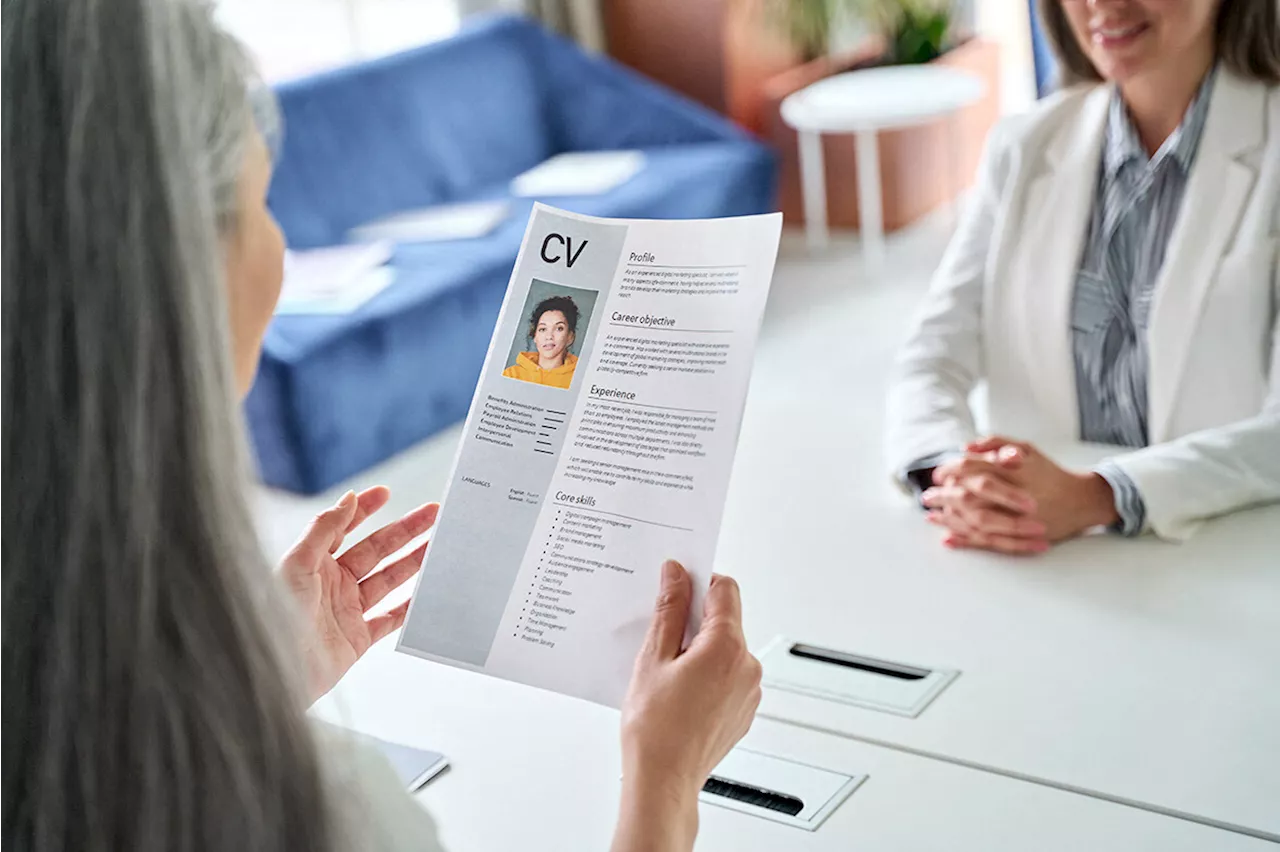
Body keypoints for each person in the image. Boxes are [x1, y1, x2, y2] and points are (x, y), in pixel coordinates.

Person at [0, 2, 762, 851]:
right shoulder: (319, 812)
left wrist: (255, 691)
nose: (279, 245)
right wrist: (666, 777)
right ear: (184, 274)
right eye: (263, 202)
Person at [885, 0, 1280, 553]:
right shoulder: (1023, 146)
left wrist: (1101, 495)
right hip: (1037, 565)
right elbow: (930, 360)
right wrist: (953, 474)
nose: (1103, 5)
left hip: (1222, 564)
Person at [503, 295, 581, 388]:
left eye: (559, 328)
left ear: (570, 337)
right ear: (535, 336)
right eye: (543, 329)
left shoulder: (578, 380)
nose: (549, 336)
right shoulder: (512, 375)